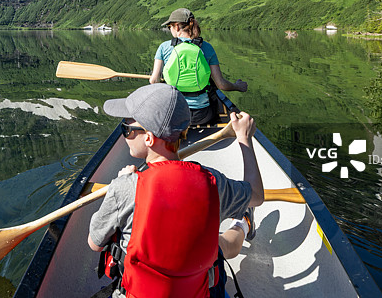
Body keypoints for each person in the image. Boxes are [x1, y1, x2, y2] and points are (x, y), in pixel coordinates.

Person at [87, 83, 264, 298]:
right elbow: (256, 195)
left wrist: (121, 181)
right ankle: (243, 222)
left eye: (126, 129)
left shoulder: (124, 187)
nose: (123, 135)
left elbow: (94, 243)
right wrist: (244, 138)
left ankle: (243, 221)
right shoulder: (212, 182)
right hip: (199, 290)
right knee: (217, 246)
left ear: (149, 138)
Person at [150, 8, 248, 125]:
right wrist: (238, 86)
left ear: (176, 26)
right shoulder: (207, 47)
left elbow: (154, 81)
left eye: (169, 26)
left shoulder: (164, 47)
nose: (169, 29)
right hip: (202, 115)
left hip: (174, 113)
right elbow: (221, 84)